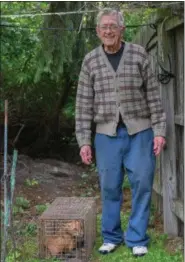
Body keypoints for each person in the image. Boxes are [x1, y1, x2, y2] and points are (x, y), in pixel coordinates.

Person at [75, 8, 166, 257]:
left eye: (112, 26)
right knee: (109, 187)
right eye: (103, 27)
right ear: (97, 31)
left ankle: (137, 237)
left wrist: (159, 131)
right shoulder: (91, 61)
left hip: (141, 132)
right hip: (106, 135)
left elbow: (154, 97)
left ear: (122, 29)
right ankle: (112, 236)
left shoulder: (138, 54)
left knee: (142, 184)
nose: (108, 31)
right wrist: (84, 140)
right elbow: (83, 104)